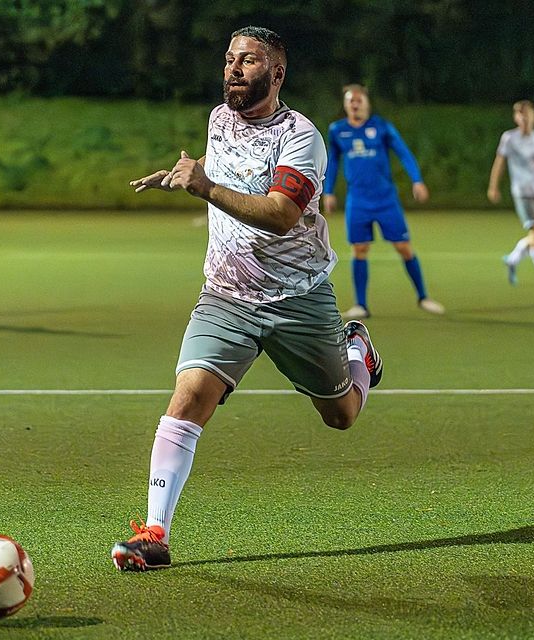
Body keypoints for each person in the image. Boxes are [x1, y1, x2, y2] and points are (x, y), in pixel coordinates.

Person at [110, 26, 383, 572]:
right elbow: (223, 178)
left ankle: (358, 352)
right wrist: (187, 178)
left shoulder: (301, 136)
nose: (234, 68)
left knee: (343, 415)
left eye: (249, 61)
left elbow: (283, 215)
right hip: (226, 297)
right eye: (229, 58)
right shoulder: (218, 118)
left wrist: (203, 187)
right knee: (188, 397)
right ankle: (155, 534)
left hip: (297, 297)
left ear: (276, 73)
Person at [322, 84, 444, 320]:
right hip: (357, 200)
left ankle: (423, 297)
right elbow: (334, 161)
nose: (354, 104)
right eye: (350, 101)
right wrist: (329, 191)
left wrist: (417, 180)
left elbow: (404, 153)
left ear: (366, 103)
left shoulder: (381, 127)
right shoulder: (338, 130)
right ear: (346, 104)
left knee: (403, 247)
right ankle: (361, 305)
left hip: (386, 199)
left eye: (359, 100)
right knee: (359, 249)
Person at [487, 99, 534, 288]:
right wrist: (493, 186)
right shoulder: (509, 138)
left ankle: (513, 259)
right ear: (515, 118)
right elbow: (499, 162)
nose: (524, 117)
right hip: (522, 191)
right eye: (520, 114)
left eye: (527, 113)